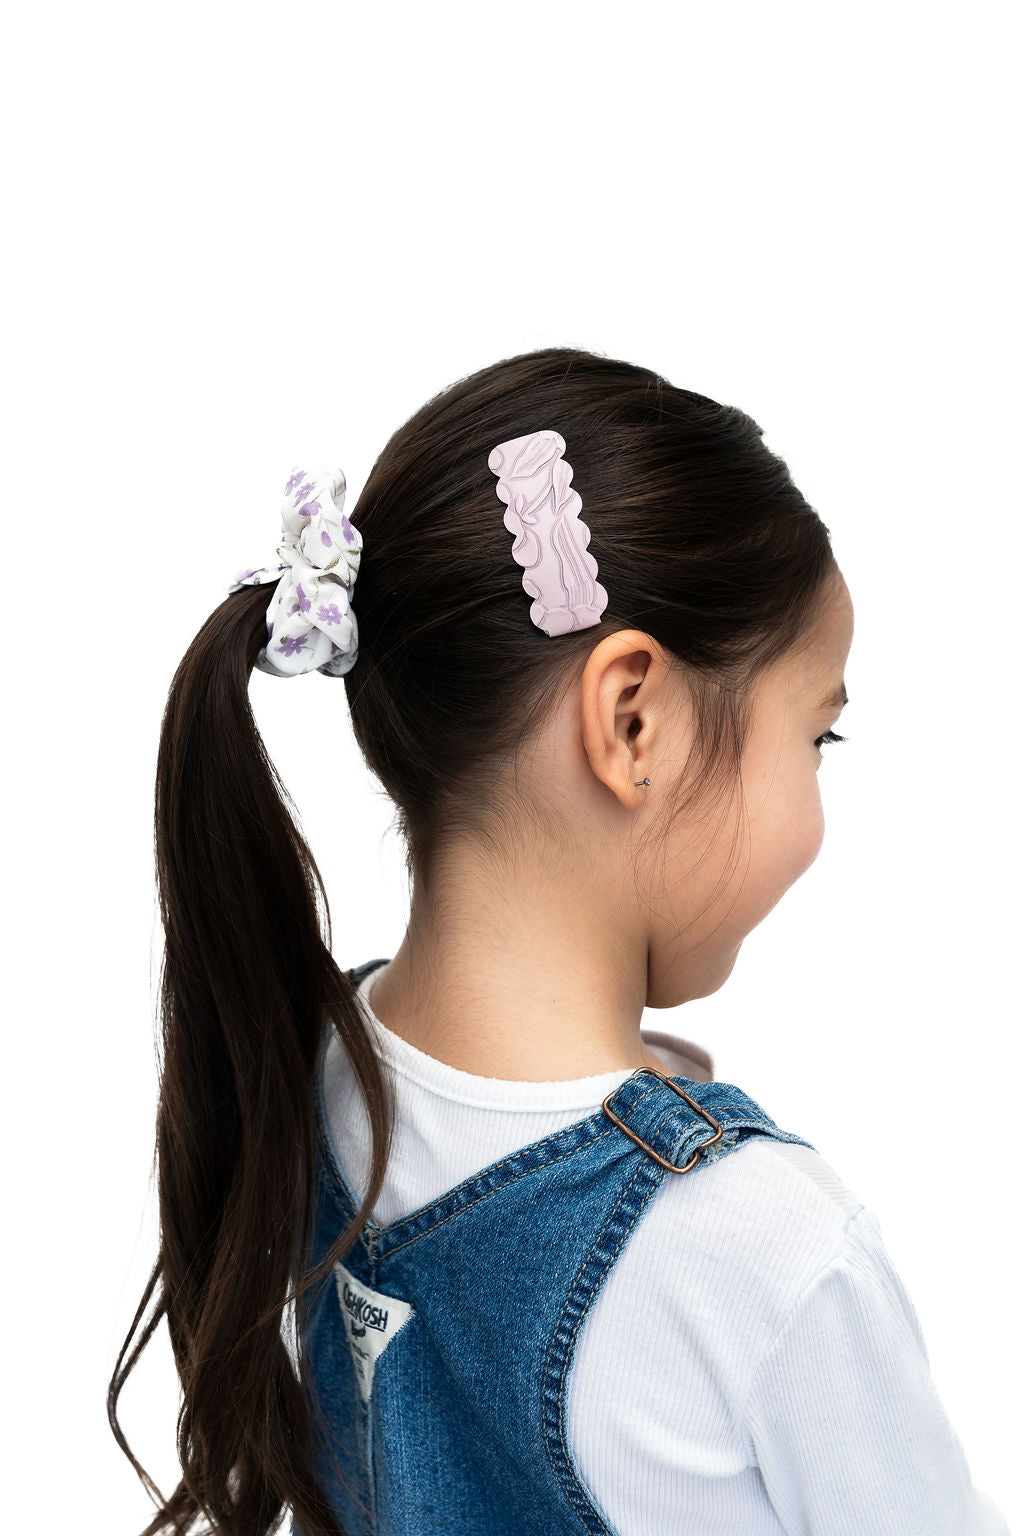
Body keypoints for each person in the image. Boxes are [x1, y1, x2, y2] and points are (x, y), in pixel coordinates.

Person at [108, 347, 1009, 1535]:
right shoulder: (764, 1251)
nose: (814, 804)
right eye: (814, 738)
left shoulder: (310, 1079)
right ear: (632, 719)